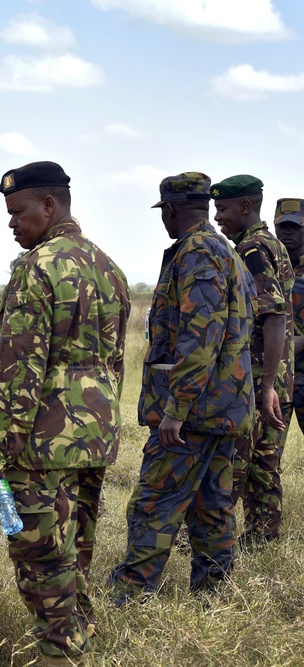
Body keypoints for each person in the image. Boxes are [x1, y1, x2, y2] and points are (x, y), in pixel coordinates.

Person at [0, 161, 130, 667]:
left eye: (17, 211)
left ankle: (58, 653)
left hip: (39, 444)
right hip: (95, 438)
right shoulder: (109, 267)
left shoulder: (36, 267)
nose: (11, 223)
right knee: (74, 551)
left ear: (49, 206)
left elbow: (18, 365)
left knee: (37, 557)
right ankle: (80, 637)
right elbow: (116, 363)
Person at [107, 172, 254, 603]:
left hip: (193, 414)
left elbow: (200, 336)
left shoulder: (197, 253)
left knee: (154, 502)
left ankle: (131, 595)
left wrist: (176, 409)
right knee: (212, 506)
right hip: (219, 410)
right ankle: (213, 595)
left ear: (170, 210)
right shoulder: (224, 252)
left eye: (164, 212)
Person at [212, 175, 293, 546]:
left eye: (223, 209)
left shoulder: (251, 249)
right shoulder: (272, 244)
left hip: (262, 376)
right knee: (265, 464)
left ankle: (219, 542)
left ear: (245, 207)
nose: (217, 217)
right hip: (278, 376)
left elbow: (274, 315)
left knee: (238, 465)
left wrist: (266, 386)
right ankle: (262, 540)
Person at [274, 198, 304, 435]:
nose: (287, 232)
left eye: (295, 227)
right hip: (276, 378)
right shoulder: (267, 266)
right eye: (283, 226)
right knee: (266, 453)